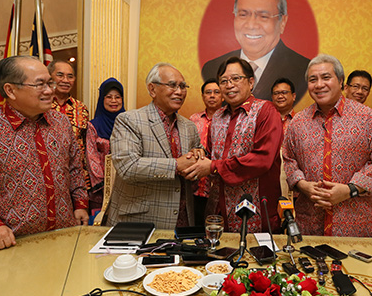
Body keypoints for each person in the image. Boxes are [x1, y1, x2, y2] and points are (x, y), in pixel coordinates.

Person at [0, 56, 89, 250]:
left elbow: (75, 167)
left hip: (64, 236)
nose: (50, 91)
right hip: (12, 243)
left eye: (50, 83)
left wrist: (80, 202)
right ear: (10, 90)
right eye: (40, 84)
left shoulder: (61, 123)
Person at [283, 54, 372, 237]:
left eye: (326, 77)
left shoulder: (367, 118)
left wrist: (350, 189)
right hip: (309, 224)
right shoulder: (298, 122)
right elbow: (289, 159)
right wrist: (302, 185)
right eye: (312, 79)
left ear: (341, 81)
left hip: (354, 224)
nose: (319, 85)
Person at [185, 57, 283, 233]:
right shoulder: (217, 117)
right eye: (224, 81)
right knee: (218, 257)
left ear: (251, 82)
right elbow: (211, 153)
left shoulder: (266, 111)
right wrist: (199, 155)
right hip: (218, 208)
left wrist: (213, 166)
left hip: (254, 209)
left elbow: (262, 159)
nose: (229, 85)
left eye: (236, 79)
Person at [107, 63, 202, 229]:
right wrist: (176, 165)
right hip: (139, 223)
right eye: (172, 85)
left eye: (182, 86)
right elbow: (128, 166)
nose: (179, 92)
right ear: (152, 89)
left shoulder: (189, 126)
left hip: (183, 222)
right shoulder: (129, 120)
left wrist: (198, 158)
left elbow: (197, 161)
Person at [201, 0, 310, 102]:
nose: (251, 25)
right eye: (243, 14)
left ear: (282, 22)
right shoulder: (212, 68)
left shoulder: (304, 71)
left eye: (263, 16)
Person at [85, 78, 125, 215]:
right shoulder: (93, 126)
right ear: (102, 99)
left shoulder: (130, 123)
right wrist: (105, 185)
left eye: (117, 97)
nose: (114, 101)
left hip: (127, 187)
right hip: (101, 192)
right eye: (109, 97)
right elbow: (91, 157)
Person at [189, 79, 223, 225]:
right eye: (208, 92)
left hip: (217, 186)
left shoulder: (228, 120)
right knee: (194, 226)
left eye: (216, 92)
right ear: (203, 96)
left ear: (223, 96)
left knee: (215, 227)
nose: (212, 96)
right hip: (194, 186)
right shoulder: (193, 120)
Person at [48, 59, 90, 154]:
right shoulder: (40, 106)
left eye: (70, 76)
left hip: (76, 167)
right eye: (60, 75)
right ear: (49, 78)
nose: (66, 80)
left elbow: (85, 143)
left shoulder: (81, 108)